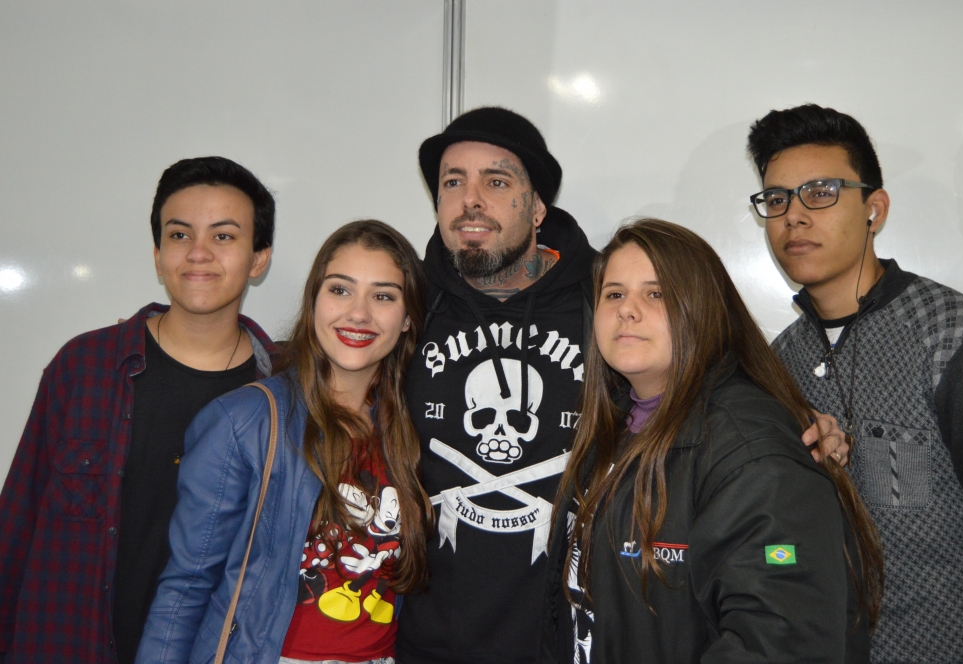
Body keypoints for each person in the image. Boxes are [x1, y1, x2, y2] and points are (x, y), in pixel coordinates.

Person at [396, 106, 850, 664]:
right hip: (430, 645)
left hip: (570, 640)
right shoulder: (408, 306)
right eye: (452, 182)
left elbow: (701, 370)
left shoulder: (601, 295)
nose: (470, 200)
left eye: (496, 181)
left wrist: (788, 425)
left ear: (536, 207)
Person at [540, 218, 882, 664]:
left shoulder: (751, 452)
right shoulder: (611, 428)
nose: (627, 310)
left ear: (702, 309)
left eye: (656, 294)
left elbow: (779, 643)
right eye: (615, 294)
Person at [0, 156, 279, 664]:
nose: (197, 253)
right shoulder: (84, 367)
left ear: (259, 258)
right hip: (74, 645)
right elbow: (14, 530)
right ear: (157, 254)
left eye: (223, 236)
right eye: (179, 235)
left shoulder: (285, 394)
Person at [747, 103, 963, 663]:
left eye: (820, 192)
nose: (794, 216)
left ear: (874, 208)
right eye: (777, 198)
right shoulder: (776, 365)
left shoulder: (952, 333)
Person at [136, 219, 432, 664]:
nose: (359, 313)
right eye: (340, 290)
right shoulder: (243, 421)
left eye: (384, 296)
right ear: (313, 301)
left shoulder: (409, 427)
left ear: (408, 317)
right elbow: (186, 585)